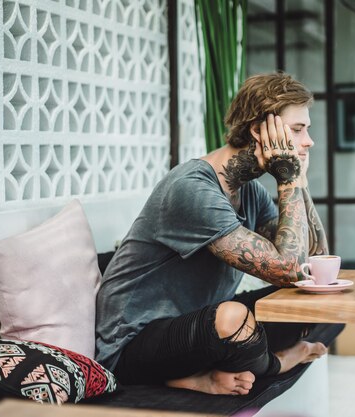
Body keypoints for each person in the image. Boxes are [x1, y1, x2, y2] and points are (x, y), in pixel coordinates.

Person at [95, 72, 339, 396]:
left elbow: (311, 267)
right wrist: (289, 181)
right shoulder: (193, 188)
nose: (309, 141)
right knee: (233, 319)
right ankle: (278, 362)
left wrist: (301, 183)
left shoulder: (248, 191)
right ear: (258, 130)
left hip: (198, 329)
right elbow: (288, 268)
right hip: (133, 346)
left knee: (320, 305)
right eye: (297, 129)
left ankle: (216, 367)